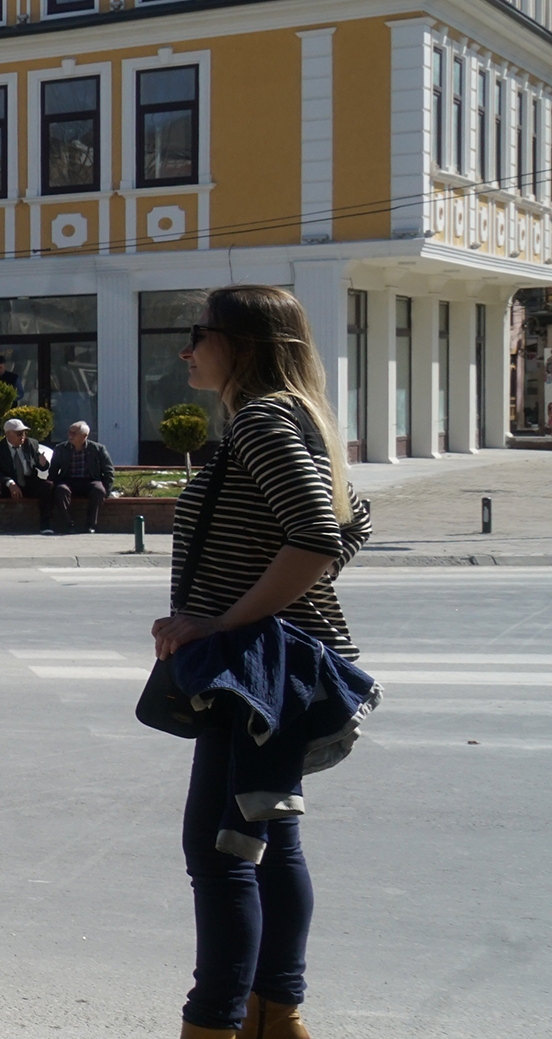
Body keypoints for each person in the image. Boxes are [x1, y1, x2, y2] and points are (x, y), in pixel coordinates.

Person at [150, 285, 372, 1039]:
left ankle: (213, 1024)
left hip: (252, 670)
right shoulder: (298, 418)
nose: (187, 349)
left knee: (219, 849)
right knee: (265, 839)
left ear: (241, 344)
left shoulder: (266, 421)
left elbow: (314, 535)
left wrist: (218, 620)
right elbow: (350, 522)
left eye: (198, 333)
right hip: (276, 668)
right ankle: (277, 1015)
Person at [46, 420, 115, 534]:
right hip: (68, 480)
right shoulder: (61, 448)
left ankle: (91, 525)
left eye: (74, 433)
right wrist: (51, 486)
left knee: (99, 490)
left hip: (90, 480)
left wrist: (106, 490)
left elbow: (108, 471)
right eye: (70, 432)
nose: (70, 435)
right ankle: (69, 524)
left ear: (84, 436)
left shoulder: (98, 449)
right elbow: (53, 470)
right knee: (60, 490)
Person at [0, 417, 50, 530]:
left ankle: (45, 525)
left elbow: (40, 466)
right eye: (19, 433)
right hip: (7, 486)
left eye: (24, 433)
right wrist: (10, 483)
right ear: (8, 434)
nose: (22, 436)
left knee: (48, 486)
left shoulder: (31, 444)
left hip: (28, 483)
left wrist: (43, 463)